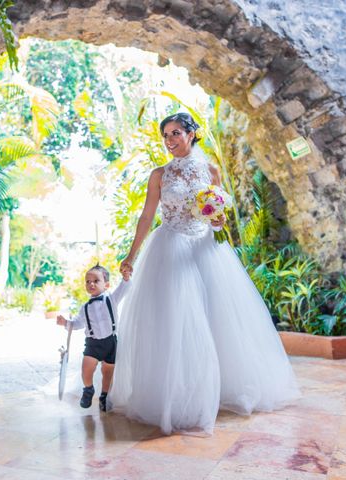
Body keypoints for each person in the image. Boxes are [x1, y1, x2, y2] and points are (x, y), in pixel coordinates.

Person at [109, 113, 300, 435]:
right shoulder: (159, 175)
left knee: (218, 319)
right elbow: (146, 216)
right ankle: (175, 393)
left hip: (206, 249)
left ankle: (221, 388)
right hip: (169, 248)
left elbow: (220, 214)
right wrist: (131, 255)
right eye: (165, 135)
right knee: (175, 322)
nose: (170, 141)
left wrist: (217, 221)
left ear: (192, 133)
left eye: (176, 133)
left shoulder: (210, 170)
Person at [57, 264, 130, 411]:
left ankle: (105, 395)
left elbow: (125, 287)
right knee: (86, 369)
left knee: (108, 372)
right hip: (93, 344)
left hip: (111, 342)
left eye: (96, 280)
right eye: (88, 281)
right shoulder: (85, 307)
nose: (91, 284)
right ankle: (88, 389)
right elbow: (78, 323)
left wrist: (126, 278)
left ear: (106, 284)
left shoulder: (112, 299)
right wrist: (66, 323)